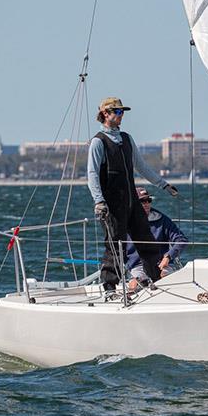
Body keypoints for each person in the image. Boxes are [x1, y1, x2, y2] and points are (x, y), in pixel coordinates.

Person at [87, 96, 179, 296]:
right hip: (111, 205)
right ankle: (110, 288)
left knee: (146, 240)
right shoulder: (98, 142)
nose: (121, 116)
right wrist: (99, 201)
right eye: (117, 112)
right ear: (105, 114)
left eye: (123, 112)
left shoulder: (126, 138)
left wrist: (164, 185)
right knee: (115, 247)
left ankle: (155, 279)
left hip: (131, 202)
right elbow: (92, 174)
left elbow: (141, 166)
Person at [125, 187, 189, 292]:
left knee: (166, 281)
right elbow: (118, 247)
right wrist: (128, 265)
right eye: (142, 201)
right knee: (134, 285)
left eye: (148, 200)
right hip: (138, 265)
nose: (146, 203)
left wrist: (168, 256)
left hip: (161, 264)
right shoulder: (126, 222)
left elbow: (181, 240)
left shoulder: (162, 220)